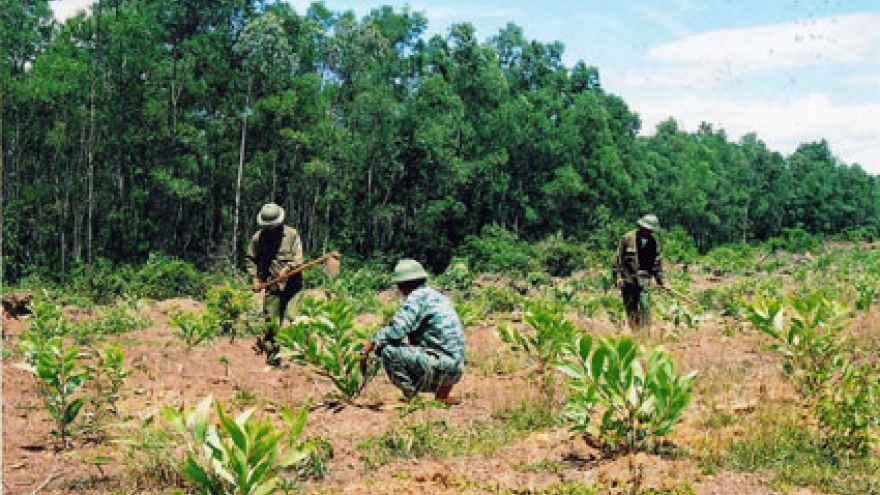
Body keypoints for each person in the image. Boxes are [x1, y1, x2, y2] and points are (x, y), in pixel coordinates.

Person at [361, 259, 465, 405]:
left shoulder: (416, 298)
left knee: (389, 351)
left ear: (401, 285)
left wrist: (371, 344)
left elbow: (397, 331)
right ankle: (442, 396)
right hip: (455, 369)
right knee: (436, 346)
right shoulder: (437, 296)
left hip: (442, 367)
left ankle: (413, 399)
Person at [247, 202, 304, 365]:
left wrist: (287, 268)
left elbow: (299, 258)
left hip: (293, 286)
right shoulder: (258, 238)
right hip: (271, 286)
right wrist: (255, 279)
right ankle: (273, 359)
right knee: (271, 323)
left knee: (295, 320)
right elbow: (250, 259)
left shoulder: (292, 235)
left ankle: (302, 360)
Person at [613, 214, 666, 331]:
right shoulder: (627, 238)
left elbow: (657, 265)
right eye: (646, 229)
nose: (648, 232)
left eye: (651, 230)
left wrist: (661, 281)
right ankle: (635, 334)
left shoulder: (654, 243)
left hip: (644, 281)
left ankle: (645, 335)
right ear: (641, 226)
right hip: (628, 280)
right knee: (631, 310)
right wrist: (618, 277)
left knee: (645, 308)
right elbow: (618, 259)